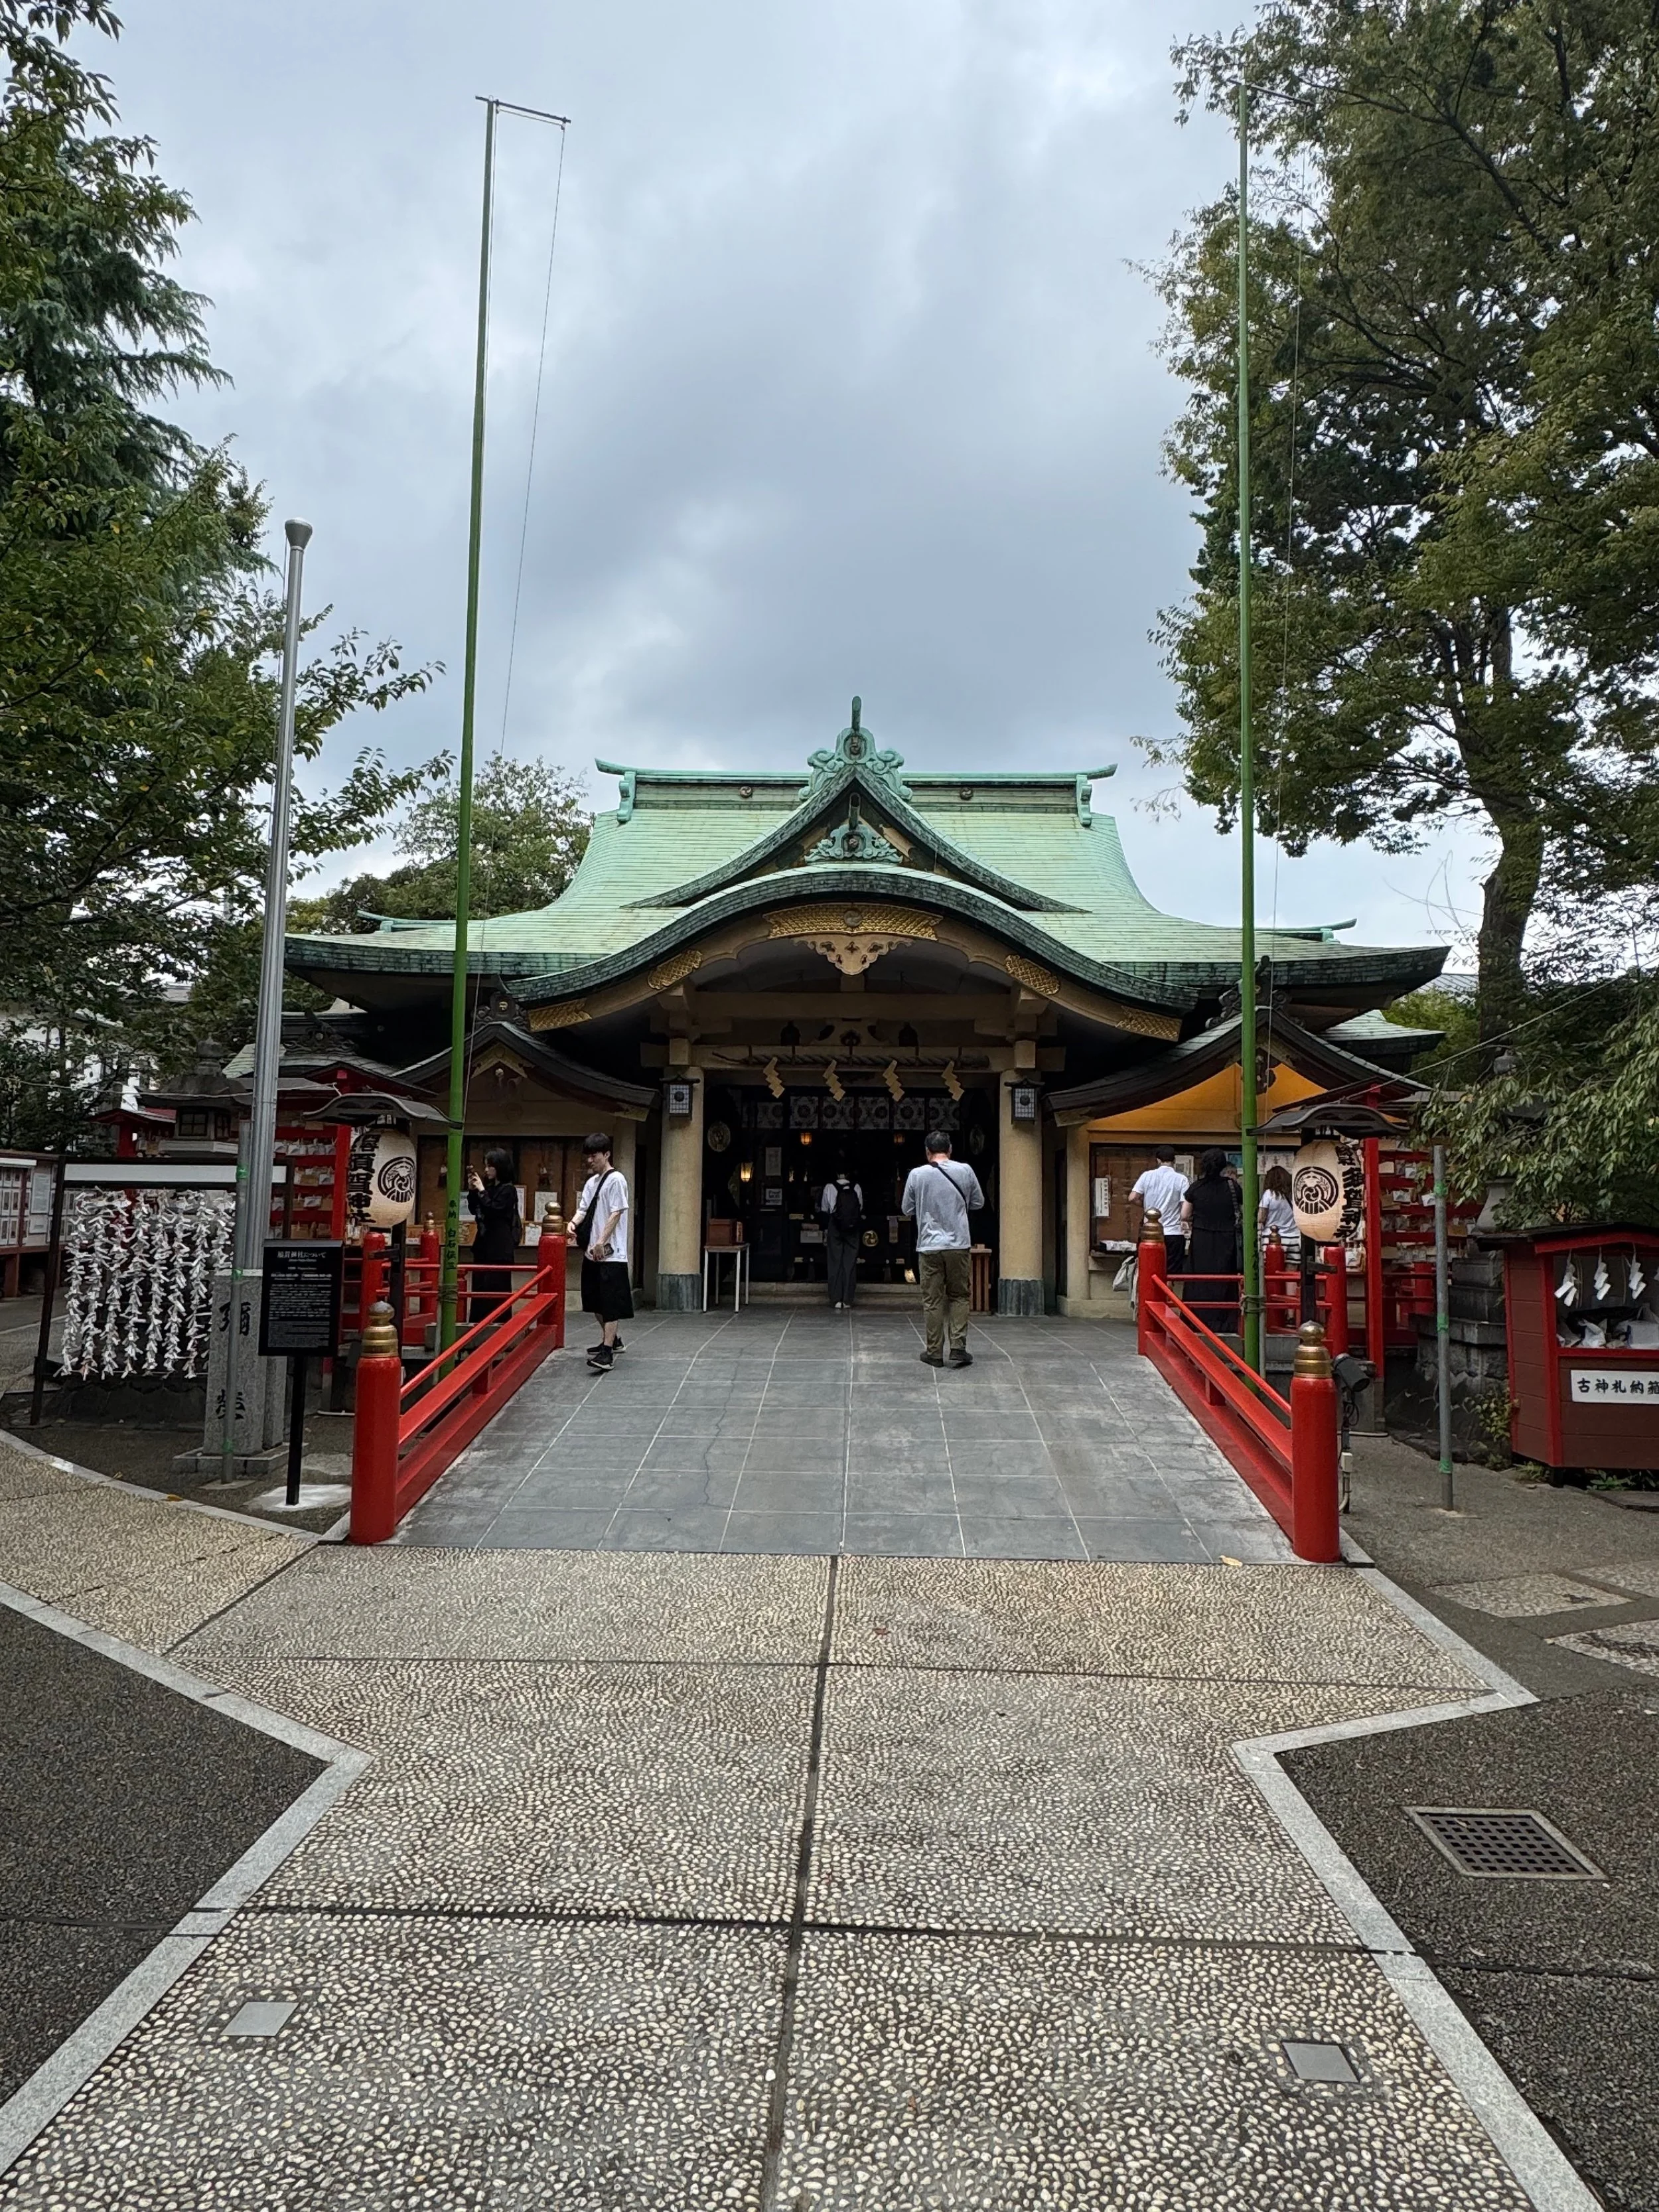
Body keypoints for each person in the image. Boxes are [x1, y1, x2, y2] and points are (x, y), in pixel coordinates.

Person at [901, 1130, 984, 1368]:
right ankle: (958, 1347)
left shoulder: (917, 1175)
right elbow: (978, 1202)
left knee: (932, 1299)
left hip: (929, 1245)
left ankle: (934, 1352)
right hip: (958, 1243)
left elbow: (907, 1208)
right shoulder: (965, 1171)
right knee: (959, 1295)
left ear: (927, 1152)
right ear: (950, 1150)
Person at [568, 1132, 633, 1373]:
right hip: (591, 1253)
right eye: (588, 1156)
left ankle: (607, 1352)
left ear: (606, 1154)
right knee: (594, 1300)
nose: (590, 1160)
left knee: (609, 1302)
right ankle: (613, 1340)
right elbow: (583, 1209)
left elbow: (616, 1213)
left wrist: (601, 1241)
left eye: (594, 1155)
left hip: (611, 1253)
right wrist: (572, 1223)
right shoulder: (591, 1183)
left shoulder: (617, 1180)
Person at [1181, 1147, 1242, 1334]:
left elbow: (1184, 1214)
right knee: (1225, 1279)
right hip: (1227, 1239)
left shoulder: (1196, 1188)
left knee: (1199, 1280)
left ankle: (1196, 1319)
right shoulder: (1232, 1187)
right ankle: (1224, 1321)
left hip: (1202, 1240)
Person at [465, 1148, 520, 1325]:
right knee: (480, 1288)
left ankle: (500, 1325)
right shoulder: (489, 1188)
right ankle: (478, 1324)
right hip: (483, 1243)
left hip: (500, 1246)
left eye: (490, 1166)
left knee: (497, 1288)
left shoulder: (508, 1190)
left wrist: (481, 1191)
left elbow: (494, 1210)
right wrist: (473, 1190)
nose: (487, 1170)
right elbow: (475, 1209)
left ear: (499, 1168)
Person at [1129, 1146, 1189, 1278]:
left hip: (1150, 1234)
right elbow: (1185, 1210)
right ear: (1174, 1160)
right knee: (1169, 1276)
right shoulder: (1181, 1179)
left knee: (1148, 1273)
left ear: (1158, 1160)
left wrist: (1146, 1209)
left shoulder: (1147, 1176)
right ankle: (1167, 1297)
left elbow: (1132, 1197)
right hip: (1173, 1233)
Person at [820, 1169, 863, 1309]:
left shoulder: (829, 1187)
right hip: (852, 1226)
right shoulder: (856, 1187)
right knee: (850, 1262)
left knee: (835, 1261)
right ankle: (848, 1299)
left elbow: (824, 1208)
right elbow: (860, 1207)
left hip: (835, 1224)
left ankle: (836, 1299)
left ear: (837, 1173)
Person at [1258, 1163, 1299, 1257]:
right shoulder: (1294, 1195)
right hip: (1294, 1238)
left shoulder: (1269, 1194)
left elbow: (1261, 1218)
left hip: (1272, 1239)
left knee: (1272, 1270)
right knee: (1291, 1270)